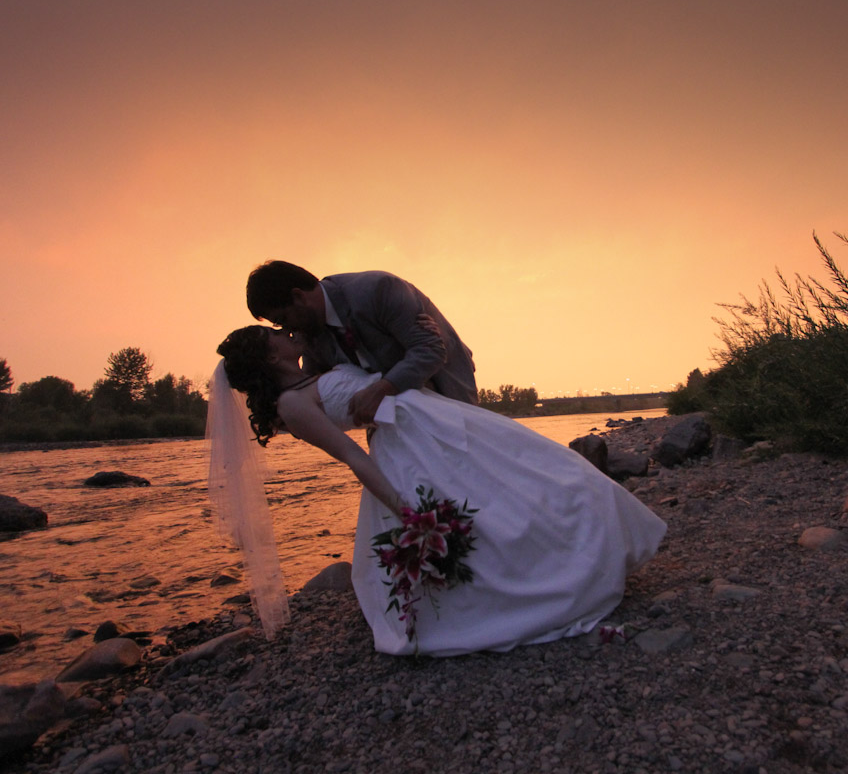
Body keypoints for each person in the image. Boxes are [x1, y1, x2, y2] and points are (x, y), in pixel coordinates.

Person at [208, 325, 666, 656]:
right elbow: (351, 457)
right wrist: (400, 508)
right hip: (408, 450)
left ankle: (595, 554)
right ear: (270, 358)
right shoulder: (293, 404)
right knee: (487, 515)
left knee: (547, 472)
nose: (287, 334)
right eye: (276, 337)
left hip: (438, 419)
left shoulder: (314, 367)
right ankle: (542, 588)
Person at [246, 261, 477, 427]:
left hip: (451, 402)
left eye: (283, 320)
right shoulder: (310, 333)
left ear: (298, 297)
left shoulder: (377, 289)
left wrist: (381, 389)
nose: (287, 330)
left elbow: (430, 349)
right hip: (397, 426)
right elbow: (312, 387)